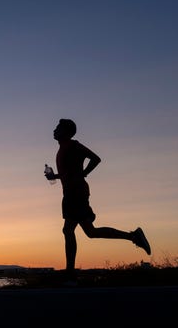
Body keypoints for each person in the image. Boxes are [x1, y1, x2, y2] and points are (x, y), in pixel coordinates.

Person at [45, 118, 151, 284]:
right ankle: (133, 236)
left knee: (68, 230)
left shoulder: (73, 145)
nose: (54, 130)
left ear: (66, 132)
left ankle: (70, 275)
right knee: (90, 232)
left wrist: (84, 173)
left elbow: (95, 158)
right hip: (71, 193)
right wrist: (55, 176)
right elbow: (70, 172)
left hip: (76, 193)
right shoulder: (62, 149)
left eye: (58, 128)